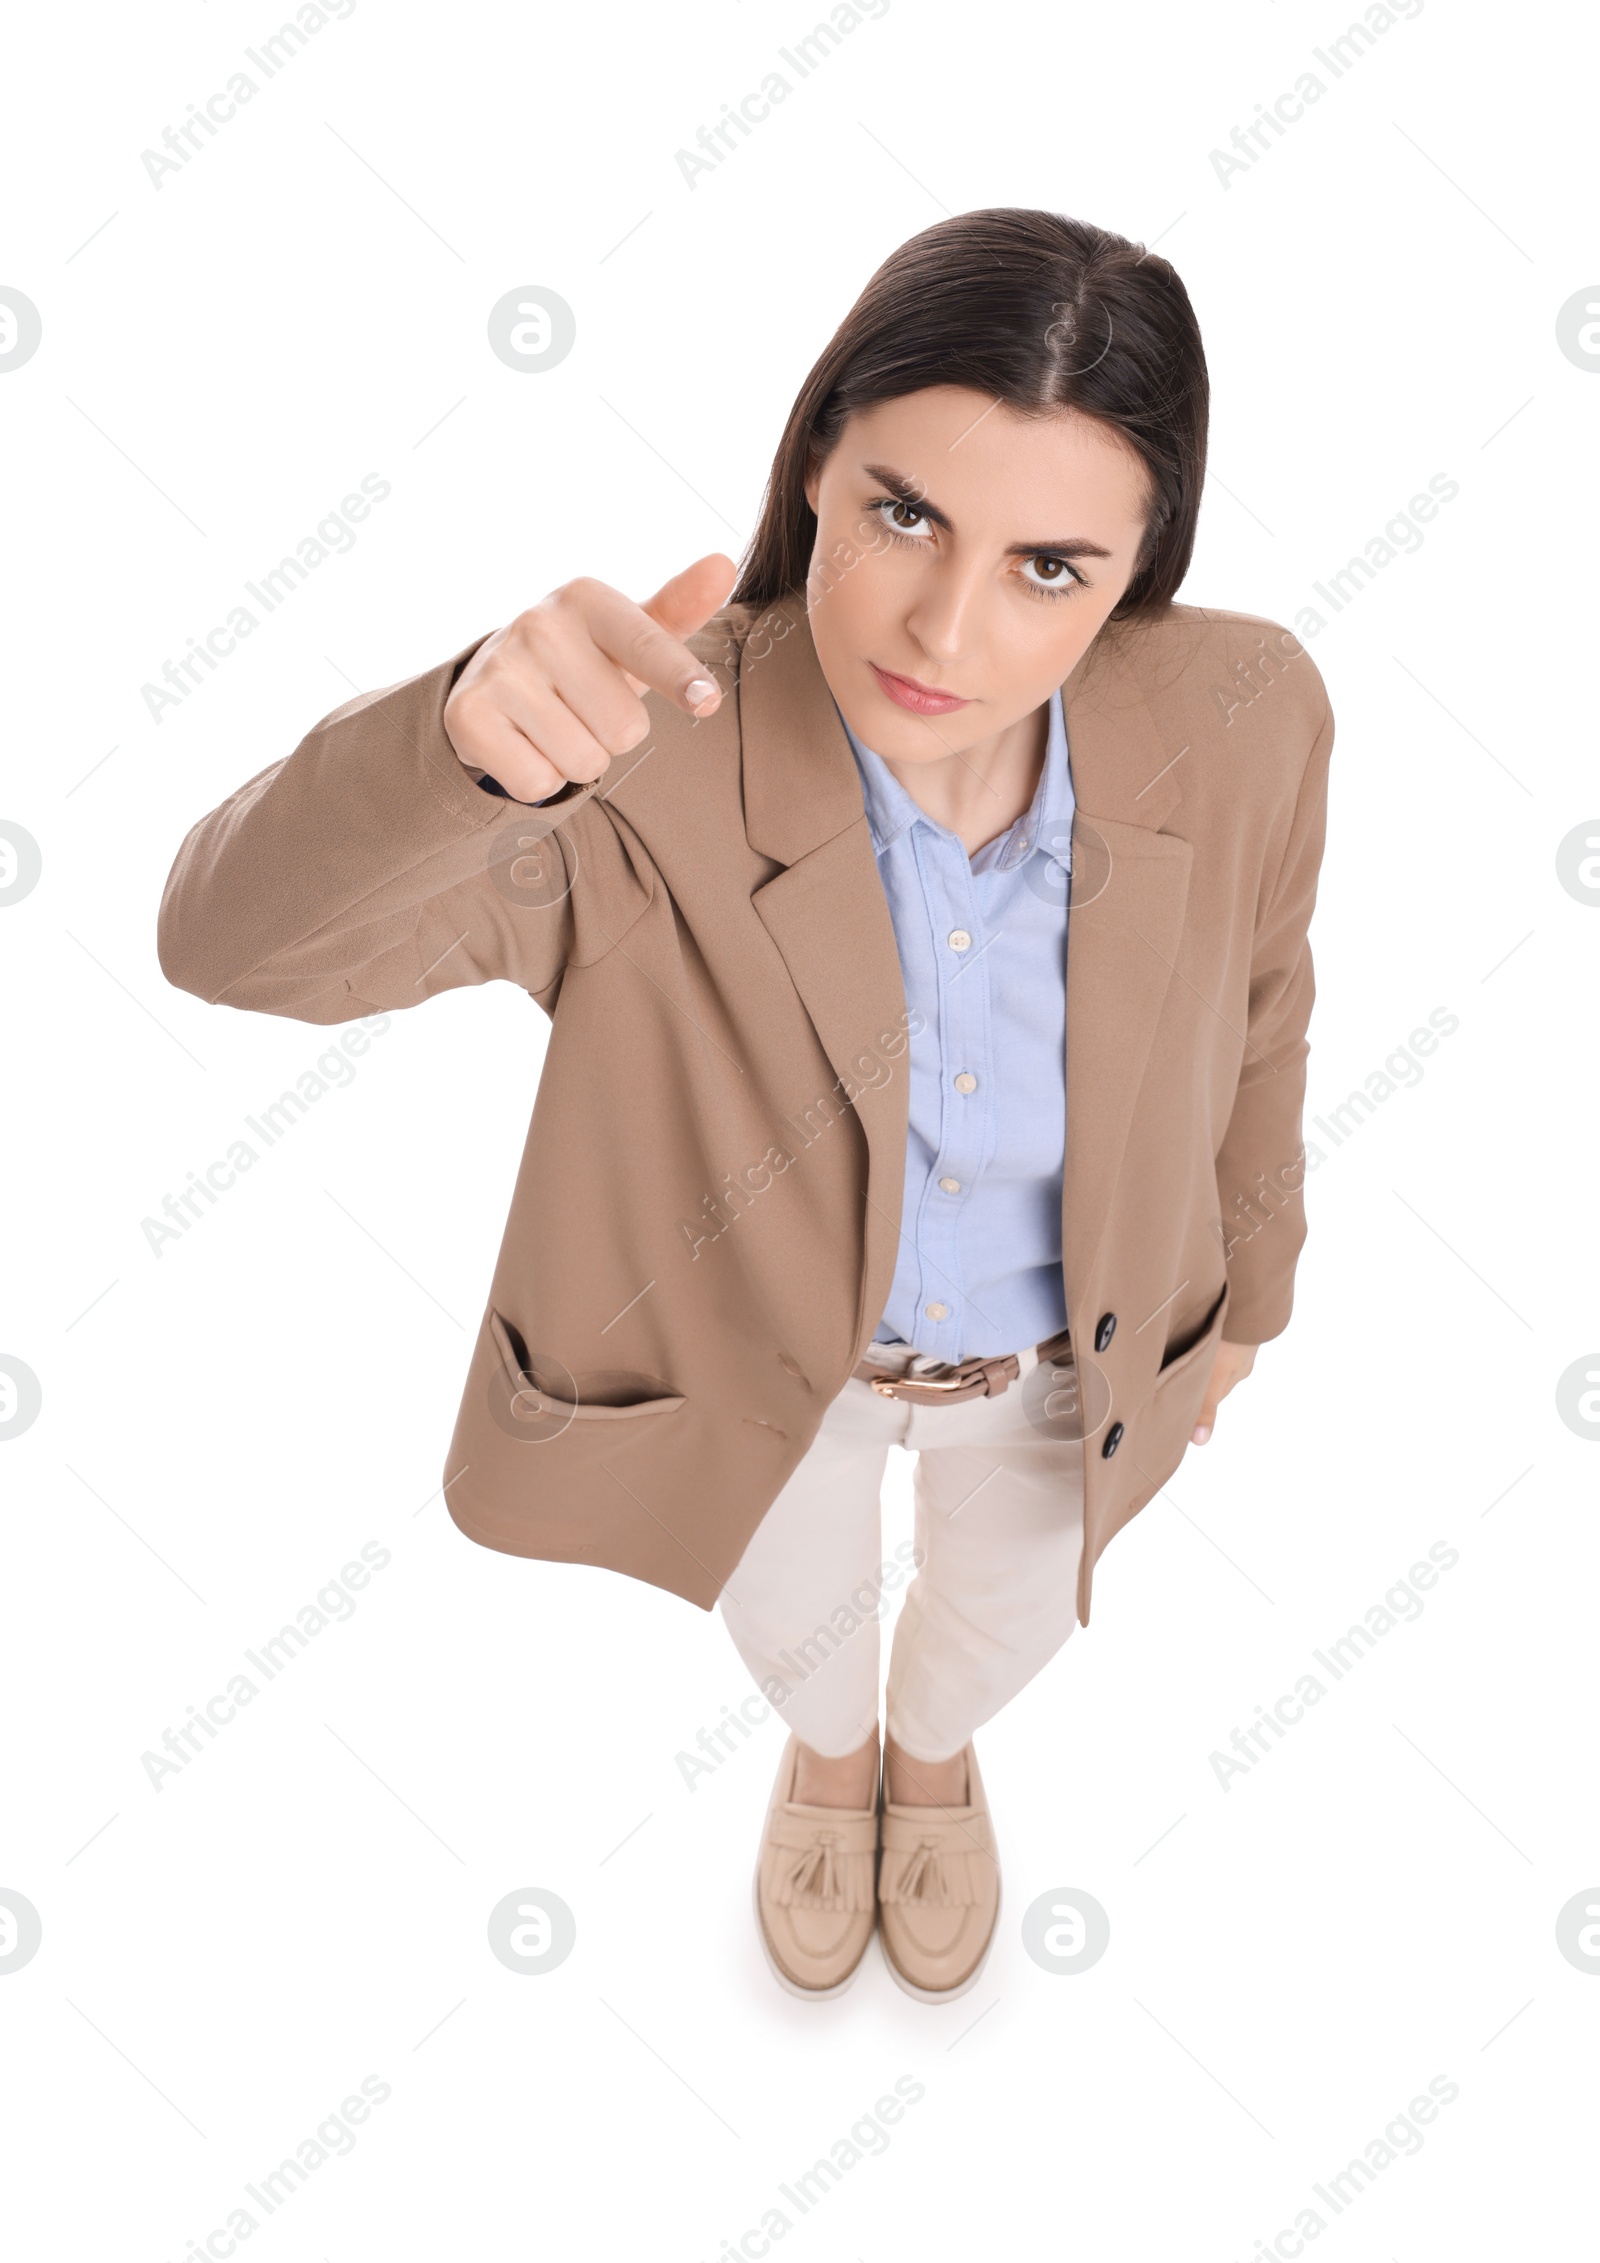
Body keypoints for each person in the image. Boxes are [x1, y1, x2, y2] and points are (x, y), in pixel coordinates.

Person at [157, 207, 1333, 2006]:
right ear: (814, 469)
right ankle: (835, 1762)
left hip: (1060, 1370)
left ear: (1139, 566)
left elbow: (1266, 1001)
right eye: (904, 514)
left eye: (1052, 567)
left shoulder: (1243, 707)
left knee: (1003, 1622)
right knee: (800, 1629)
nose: (949, 627)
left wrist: (1252, 1301)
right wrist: (463, 746)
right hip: (765, 1382)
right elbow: (235, 948)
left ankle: (929, 1763)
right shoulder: (650, 749)